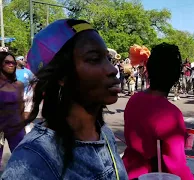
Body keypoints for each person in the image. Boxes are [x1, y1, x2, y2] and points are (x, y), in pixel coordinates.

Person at [1, 19, 128, 180]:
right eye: (94, 59)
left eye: (107, 59)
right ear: (62, 75)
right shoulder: (33, 161)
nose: (112, 70)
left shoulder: (105, 134)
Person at [122, 43, 194, 180]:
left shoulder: (134, 99)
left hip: (128, 170)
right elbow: (176, 164)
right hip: (151, 174)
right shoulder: (171, 114)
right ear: (176, 76)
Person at [0, 52, 25, 167]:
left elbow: (21, 107)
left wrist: (23, 126)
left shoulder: (19, 85)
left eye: (13, 62)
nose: (11, 65)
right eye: (7, 62)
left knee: (21, 161)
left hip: (16, 129)